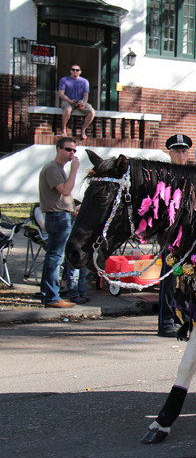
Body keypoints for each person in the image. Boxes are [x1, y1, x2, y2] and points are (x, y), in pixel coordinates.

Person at [156, 135, 195, 337]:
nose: (181, 155)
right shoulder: (164, 176)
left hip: (191, 234)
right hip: (171, 235)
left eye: (184, 151)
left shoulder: (194, 175)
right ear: (170, 153)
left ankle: (187, 318)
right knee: (169, 279)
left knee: (189, 279)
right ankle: (166, 322)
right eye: (177, 151)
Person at [38, 137, 80, 308]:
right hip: (57, 217)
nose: (72, 153)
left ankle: (48, 293)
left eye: (74, 150)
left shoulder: (59, 169)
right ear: (59, 149)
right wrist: (74, 170)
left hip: (63, 216)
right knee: (55, 257)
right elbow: (64, 190)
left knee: (54, 257)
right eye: (68, 149)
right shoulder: (52, 168)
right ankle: (52, 297)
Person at [58, 64, 95, 140]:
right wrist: (69, 101)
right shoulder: (64, 80)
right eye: (73, 69)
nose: (75, 71)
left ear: (80, 72)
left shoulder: (84, 81)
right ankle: (63, 129)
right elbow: (61, 94)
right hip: (67, 101)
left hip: (79, 101)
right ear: (70, 71)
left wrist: (83, 103)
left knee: (92, 112)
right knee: (68, 110)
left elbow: (85, 95)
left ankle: (83, 130)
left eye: (77, 70)